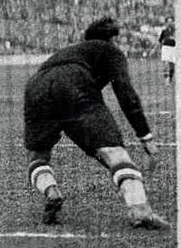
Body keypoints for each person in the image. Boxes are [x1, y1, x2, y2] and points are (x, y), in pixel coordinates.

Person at [23, 17, 170, 230]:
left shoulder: (73, 51)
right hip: (73, 80)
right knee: (113, 151)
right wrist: (145, 136)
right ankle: (139, 209)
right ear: (110, 39)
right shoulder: (109, 51)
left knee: (37, 154)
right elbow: (125, 93)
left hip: (36, 85)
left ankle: (50, 189)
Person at [159, 17, 176, 85]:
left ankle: (170, 78)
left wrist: (174, 38)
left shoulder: (175, 31)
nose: (170, 23)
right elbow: (160, 40)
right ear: (166, 23)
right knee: (165, 63)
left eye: (171, 21)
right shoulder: (164, 30)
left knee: (172, 65)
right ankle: (166, 79)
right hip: (165, 48)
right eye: (168, 21)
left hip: (173, 48)